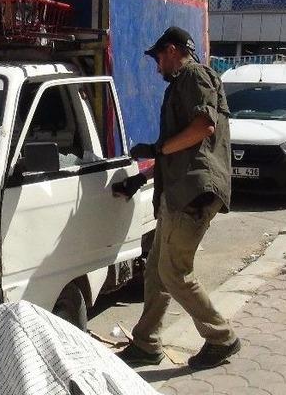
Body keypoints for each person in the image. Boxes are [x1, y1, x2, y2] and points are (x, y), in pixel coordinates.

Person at [111, 27, 240, 369]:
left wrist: (156, 149)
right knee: (155, 271)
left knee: (175, 274)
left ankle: (221, 337)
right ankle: (146, 342)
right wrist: (140, 178)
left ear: (171, 51)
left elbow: (203, 129)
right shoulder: (180, 85)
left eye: (157, 59)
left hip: (193, 194)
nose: (156, 67)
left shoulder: (194, 76)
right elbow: (179, 152)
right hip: (179, 190)